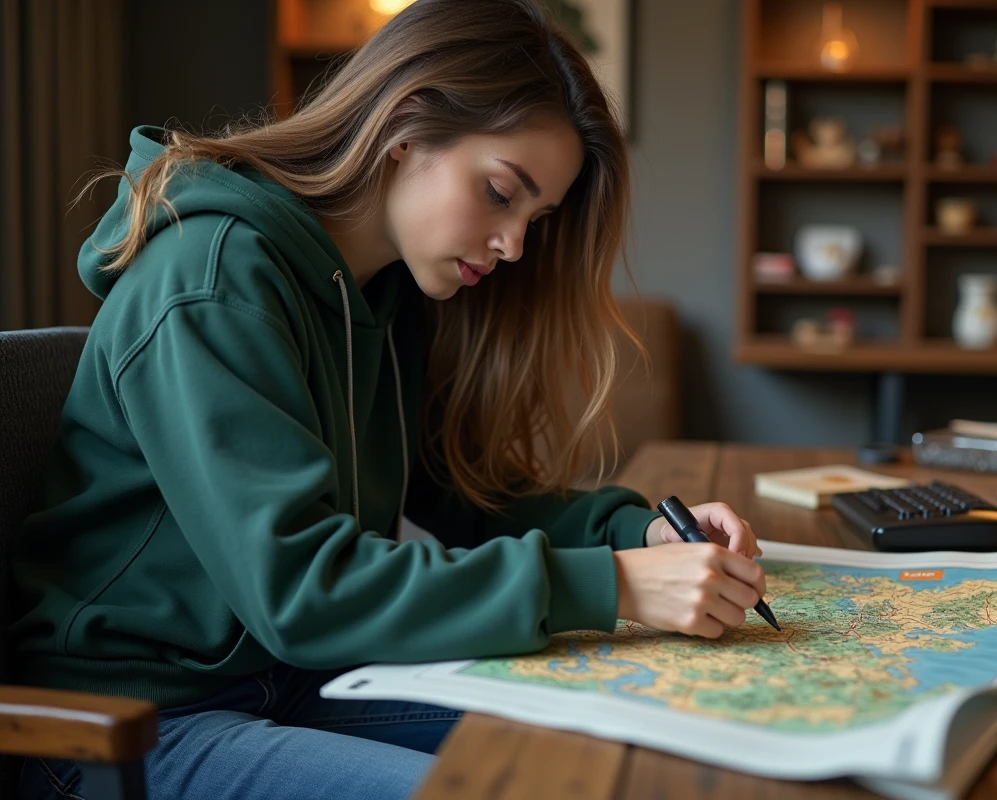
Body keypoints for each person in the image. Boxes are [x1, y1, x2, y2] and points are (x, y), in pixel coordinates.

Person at [11, 1, 766, 798]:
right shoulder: (212, 277)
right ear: (406, 129)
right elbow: (303, 591)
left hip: (297, 677)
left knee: (647, 735)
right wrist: (611, 586)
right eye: (501, 192)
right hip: (127, 725)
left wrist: (637, 533)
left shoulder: (383, 294)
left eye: (535, 219)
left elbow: (461, 502)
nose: (514, 245)